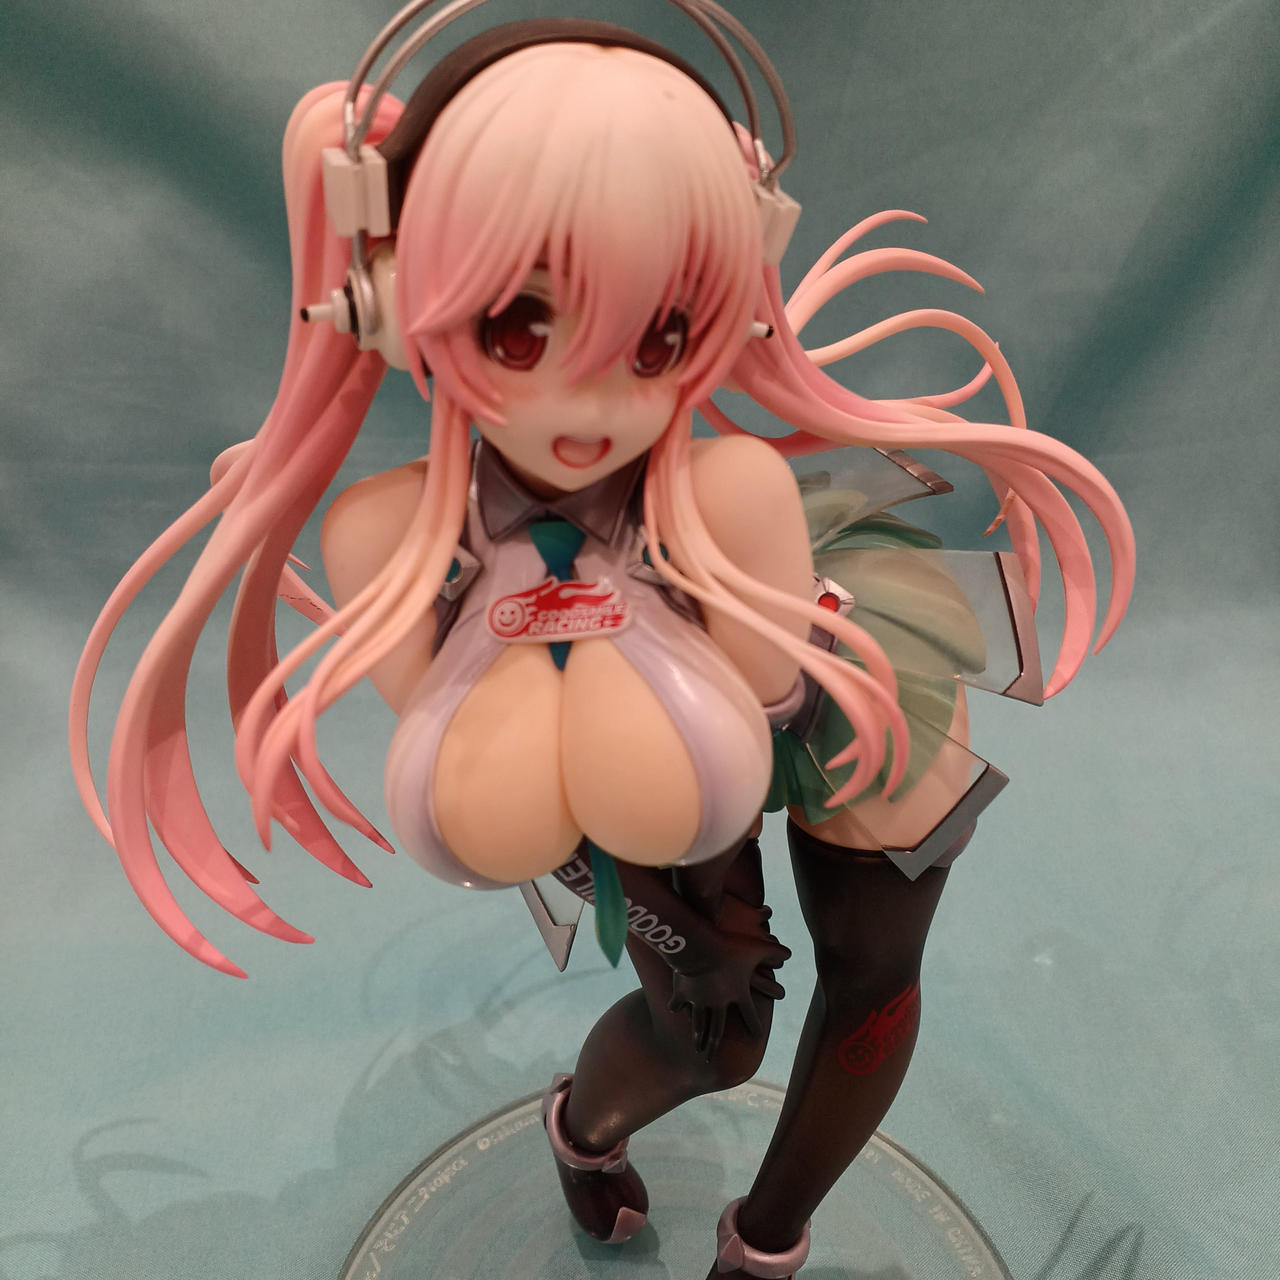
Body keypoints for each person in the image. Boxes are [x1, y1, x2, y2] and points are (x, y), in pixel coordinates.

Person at [70, 12, 1134, 1278]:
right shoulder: (389, 535)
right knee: (715, 1041)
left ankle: (768, 1242)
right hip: (641, 763)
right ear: (392, 305)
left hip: (821, 676)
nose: (587, 402)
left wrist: (672, 772)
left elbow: (751, 726)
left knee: (872, 976)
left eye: (657, 337)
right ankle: (581, 1129)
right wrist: (663, 897)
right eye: (517, 330)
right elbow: (496, 786)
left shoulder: (733, 492)